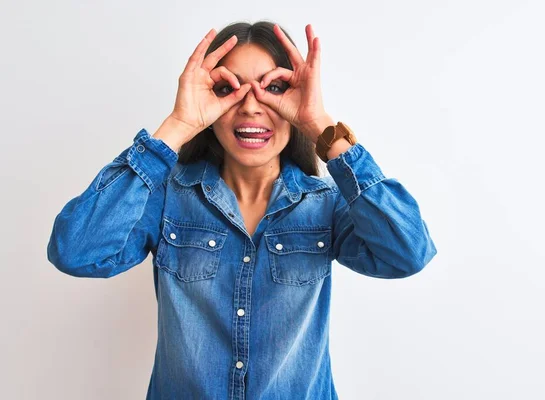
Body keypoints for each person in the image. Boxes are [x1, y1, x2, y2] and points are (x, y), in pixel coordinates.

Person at [47, 20, 437, 400]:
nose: (252, 107)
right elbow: (76, 250)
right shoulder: (167, 199)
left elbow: (408, 252)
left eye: (275, 88)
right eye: (226, 89)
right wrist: (178, 125)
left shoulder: (326, 203)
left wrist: (320, 124)